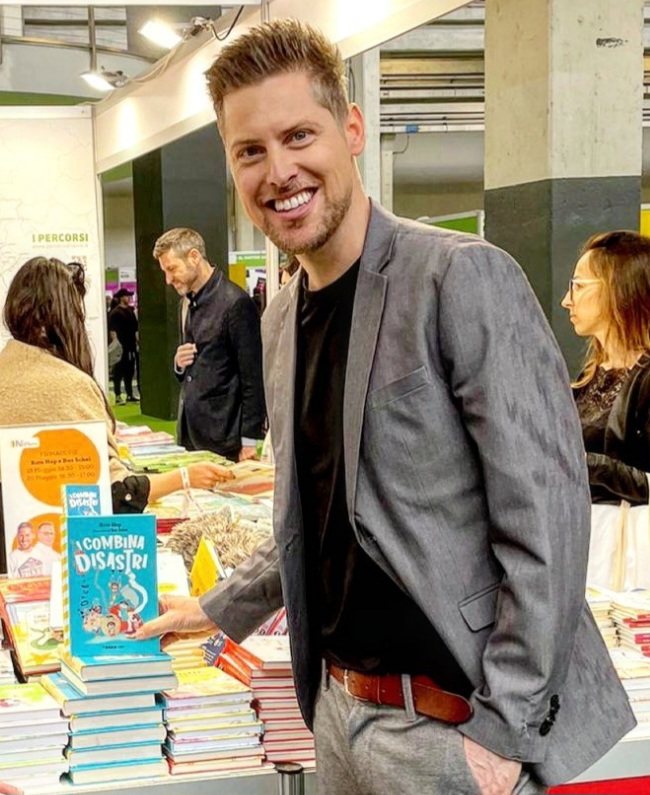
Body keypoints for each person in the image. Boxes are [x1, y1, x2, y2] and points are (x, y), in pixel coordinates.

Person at [137, 20, 634, 795]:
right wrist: (214, 607)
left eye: (299, 135)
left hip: (449, 727)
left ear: (352, 129)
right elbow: (313, 518)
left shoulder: (457, 278)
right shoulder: (280, 317)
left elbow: (548, 518)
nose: (279, 170)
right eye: (250, 150)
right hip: (336, 713)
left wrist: (502, 733)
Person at [0, 257, 234, 573]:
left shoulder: (12, 370)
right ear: (66, 315)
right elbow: (112, 493)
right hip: (60, 562)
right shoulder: (67, 386)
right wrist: (183, 477)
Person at [154, 228, 266, 462]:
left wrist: (249, 441)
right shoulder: (185, 304)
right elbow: (194, 369)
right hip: (189, 435)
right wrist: (179, 364)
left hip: (225, 440)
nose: (168, 279)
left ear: (194, 257)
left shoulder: (236, 303)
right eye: (165, 271)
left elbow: (253, 378)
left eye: (172, 269)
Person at [562, 230, 650, 505]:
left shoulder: (646, 379)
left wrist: (587, 464)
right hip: (590, 526)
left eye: (578, 286)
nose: (567, 300)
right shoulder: (590, 377)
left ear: (617, 289)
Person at [108, 287, 139, 404]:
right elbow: (113, 330)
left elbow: (135, 329)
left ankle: (130, 394)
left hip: (131, 345)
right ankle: (118, 395)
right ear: (121, 298)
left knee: (129, 370)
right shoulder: (115, 313)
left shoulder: (130, 311)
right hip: (122, 345)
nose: (128, 298)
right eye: (126, 296)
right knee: (119, 370)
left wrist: (137, 341)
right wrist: (116, 345)